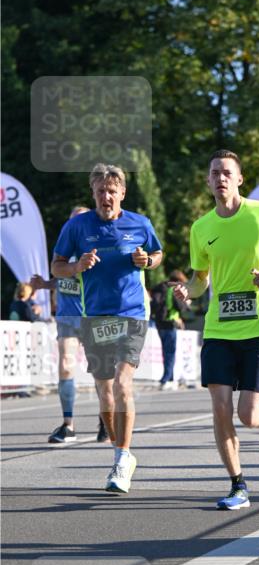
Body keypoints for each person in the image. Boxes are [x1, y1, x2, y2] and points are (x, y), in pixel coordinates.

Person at [171, 150, 259, 510]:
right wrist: (187, 292)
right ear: (208, 181)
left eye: (227, 172)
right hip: (219, 331)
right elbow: (200, 279)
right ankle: (238, 484)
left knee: (248, 415)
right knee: (221, 409)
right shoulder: (201, 228)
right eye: (214, 173)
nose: (221, 178)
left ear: (240, 179)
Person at [51, 163, 163, 493]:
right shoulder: (77, 226)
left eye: (112, 190)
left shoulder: (140, 223)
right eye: (100, 191)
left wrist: (148, 261)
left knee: (123, 384)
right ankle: (121, 452)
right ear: (93, 193)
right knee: (104, 391)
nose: (106, 196)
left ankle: (121, 458)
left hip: (131, 314)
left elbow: (157, 254)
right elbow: (56, 267)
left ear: (122, 193)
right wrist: (76, 266)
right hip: (95, 317)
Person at [31, 205, 109, 445]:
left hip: (92, 316)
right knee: (65, 365)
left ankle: (105, 421)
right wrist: (45, 284)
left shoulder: (95, 246)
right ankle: (68, 425)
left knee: (100, 372)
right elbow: (63, 278)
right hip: (66, 316)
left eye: (80, 219)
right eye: (71, 219)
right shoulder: (64, 247)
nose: (75, 224)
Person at [150, 269, 188, 390]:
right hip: (170, 323)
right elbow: (179, 307)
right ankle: (165, 380)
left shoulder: (160, 287)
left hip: (159, 323)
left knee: (165, 352)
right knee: (170, 353)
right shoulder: (174, 289)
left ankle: (170, 379)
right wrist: (187, 303)